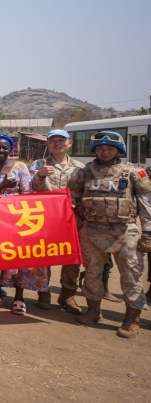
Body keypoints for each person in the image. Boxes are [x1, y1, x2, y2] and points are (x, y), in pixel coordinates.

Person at [69, 131, 151, 338]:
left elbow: (146, 205)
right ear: (94, 150)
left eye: (110, 148)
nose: (105, 152)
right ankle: (93, 311)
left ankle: (132, 319)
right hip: (92, 231)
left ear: (119, 149)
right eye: (100, 148)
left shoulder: (134, 172)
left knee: (131, 276)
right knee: (92, 273)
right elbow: (73, 201)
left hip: (125, 233)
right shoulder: (83, 173)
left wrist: (148, 233)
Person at [0, 134, 39, 313]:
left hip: (17, 220)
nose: (1, 150)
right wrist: (1, 186)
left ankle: (19, 298)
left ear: (11, 149)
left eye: (5, 147)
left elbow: (27, 193)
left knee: (18, 258)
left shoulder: (20, 167)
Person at [31, 129, 86, 314]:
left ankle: (67, 295)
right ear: (47, 144)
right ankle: (43, 293)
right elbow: (31, 192)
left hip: (73, 219)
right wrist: (40, 175)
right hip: (46, 220)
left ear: (69, 143)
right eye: (52, 140)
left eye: (61, 140)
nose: (57, 143)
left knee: (72, 258)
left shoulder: (80, 167)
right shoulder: (39, 164)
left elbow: (85, 194)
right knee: (44, 256)